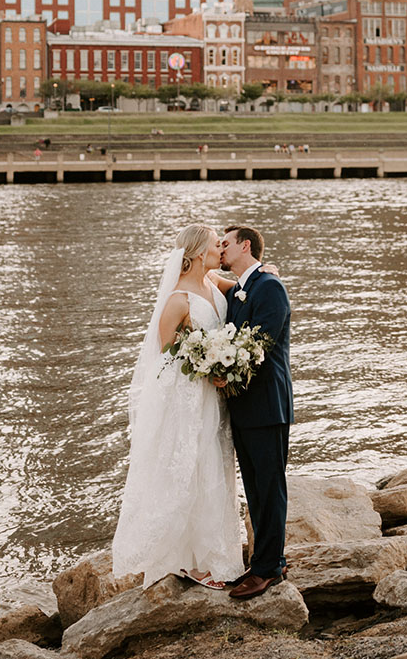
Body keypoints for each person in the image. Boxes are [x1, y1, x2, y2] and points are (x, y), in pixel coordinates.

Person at [111, 225, 244, 590]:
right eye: (216, 244)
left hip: (213, 396)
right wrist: (205, 366)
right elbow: (165, 357)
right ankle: (187, 561)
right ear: (199, 252)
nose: (221, 248)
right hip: (186, 398)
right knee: (191, 466)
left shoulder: (214, 283)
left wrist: (266, 272)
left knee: (215, 464)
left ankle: (213, 555)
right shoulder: (177, 299)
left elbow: (245, 286)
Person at [218, 225, 293, 600]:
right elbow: (210, 278)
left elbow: (260, 346)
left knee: (270, 487)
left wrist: (220, 370)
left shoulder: (270, 287)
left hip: (267, 406)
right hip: (244, 408)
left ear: (245, 245)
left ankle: (269, 568)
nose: (220, 248)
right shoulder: (243, 288)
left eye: (225, 243)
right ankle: (265, 560)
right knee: (255, 490)